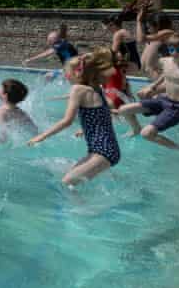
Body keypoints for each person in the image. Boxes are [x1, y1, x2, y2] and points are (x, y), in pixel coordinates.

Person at [28, 48, 120, 186]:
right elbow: (105, 110)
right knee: (69, 177)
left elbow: (67, 121)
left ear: (76, 73)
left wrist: (41, 136)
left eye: (66, 73)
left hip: (102, 151)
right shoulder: (96, 88)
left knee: (66, 183)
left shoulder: (78, 89)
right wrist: (87, 128)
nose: (66, 77)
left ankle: (85, 204)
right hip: (107, 149)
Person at [0, 79, 38, 143]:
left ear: (5, 95)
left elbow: (3, 133)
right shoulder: (22, 113)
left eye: (1, 89)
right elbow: (35, 130)